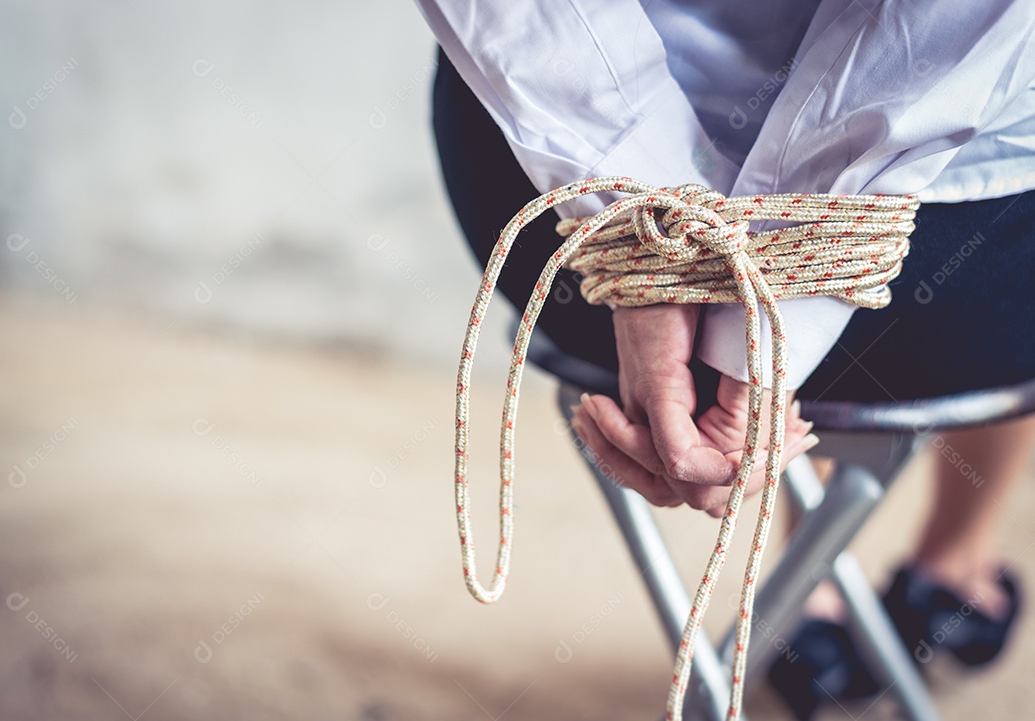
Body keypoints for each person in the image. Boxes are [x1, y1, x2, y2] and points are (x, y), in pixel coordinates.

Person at [415, 2, 1035, 717]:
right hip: (951, 254)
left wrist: (642, 251)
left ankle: (815, 599)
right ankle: (952, 562)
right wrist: (759, 330)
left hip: (552, 223)